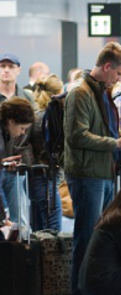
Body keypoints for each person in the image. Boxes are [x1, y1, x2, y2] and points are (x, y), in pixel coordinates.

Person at [65, 42, 121, 295]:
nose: (120, 79)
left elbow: (99, 130)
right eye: (119, 73)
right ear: (107, 66)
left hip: (103, 171)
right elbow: (77, 136)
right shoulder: (80, 93)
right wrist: (117, 141)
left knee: (100, 240)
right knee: (86, 238)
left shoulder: (101, 92)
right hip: (87, 174)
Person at [27, 75, 64, 231]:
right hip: (46, 174)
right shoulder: (50, 118)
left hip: (39, 173)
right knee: (52, 225)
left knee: (40, 222)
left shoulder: (36, 115)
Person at [0, 97, 35, 224]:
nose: (23, 133)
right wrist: (3, 219)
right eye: (22, 128)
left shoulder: (6, 133)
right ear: (11, 122)